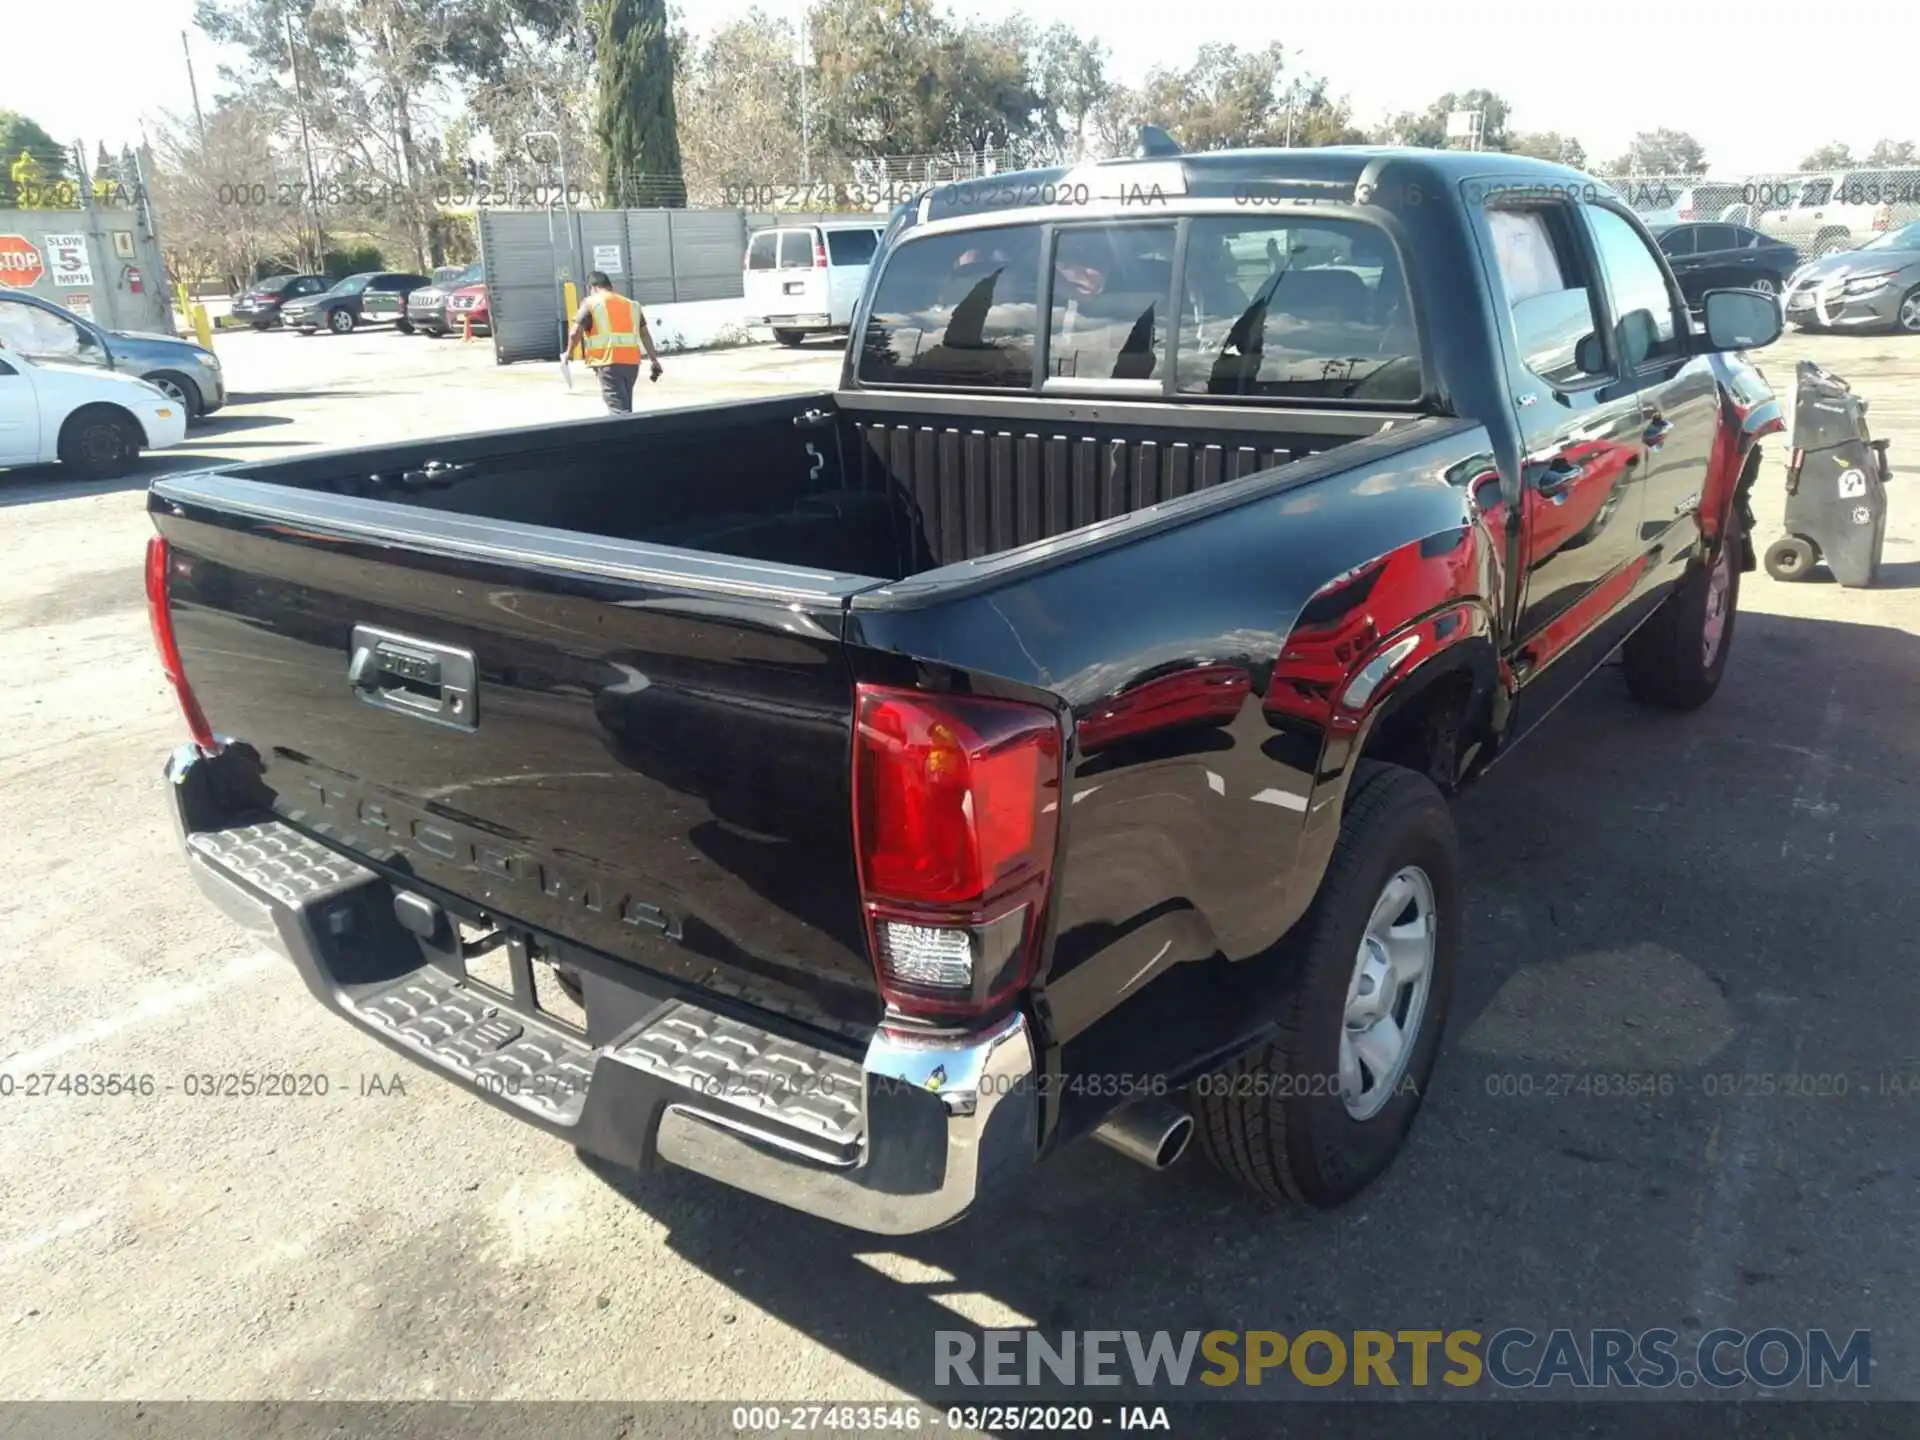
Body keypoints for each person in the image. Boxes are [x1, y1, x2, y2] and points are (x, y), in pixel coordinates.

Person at [566, 270, 661, 413]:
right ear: (610, 286)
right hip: (631, 365)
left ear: (592, 287)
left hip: (608, 363)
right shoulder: (632, 305)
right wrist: (654, 360)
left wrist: (568, 354)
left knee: (618, 411)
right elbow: (645, 335)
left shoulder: (591, 303)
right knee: (625, 405)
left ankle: (627, 435)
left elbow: (574, 333)